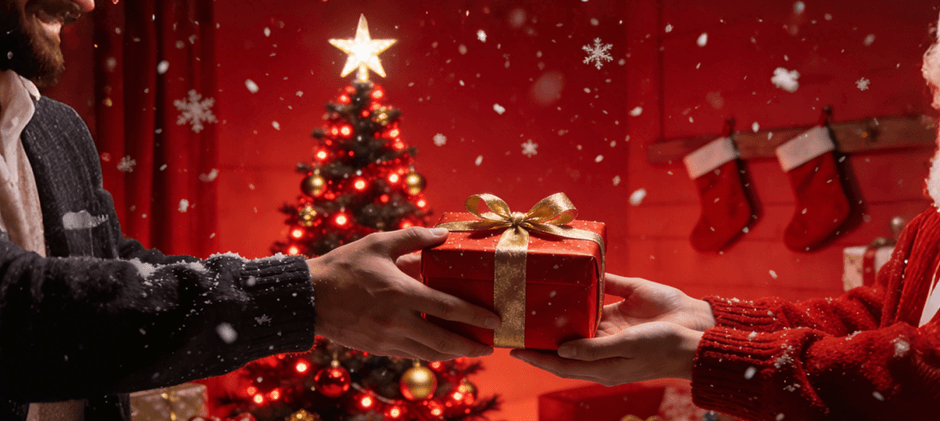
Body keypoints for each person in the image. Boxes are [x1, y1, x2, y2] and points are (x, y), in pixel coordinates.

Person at [0, 1, 499, 420]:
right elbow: (17, 308)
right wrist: (305, 293)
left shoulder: (57, 129)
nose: (86, 3)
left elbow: (112, 269)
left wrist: (316, 280)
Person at [509, 17, 940, 421]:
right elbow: (868, 321)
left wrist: (697, 355)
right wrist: (704, 317)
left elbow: (919, 374)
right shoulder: (929, 226)